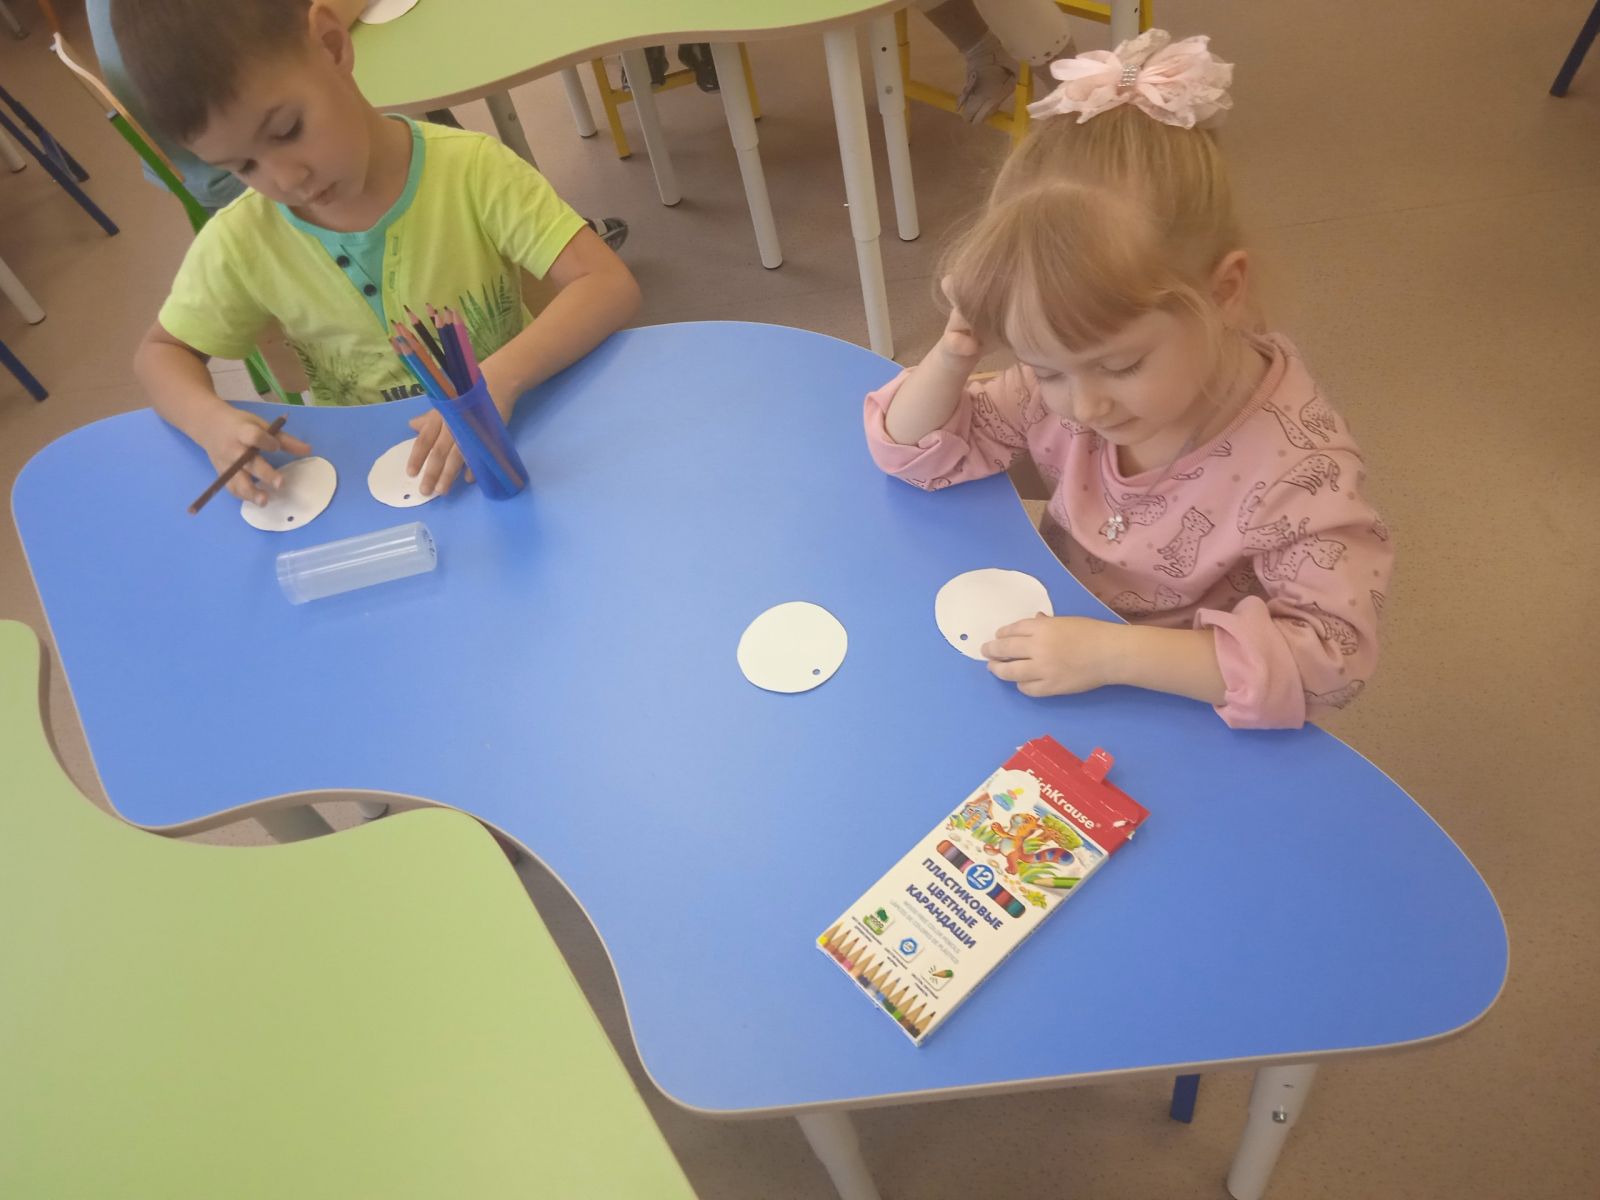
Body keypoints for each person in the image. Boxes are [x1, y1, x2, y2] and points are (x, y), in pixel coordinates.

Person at [865, 31, 1393, 729]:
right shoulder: (1069, 375)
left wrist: (1114, 654)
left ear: (1224, 292)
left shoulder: (1299, 472)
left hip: (1180, 699)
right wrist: (956, 349)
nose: (1084, 406)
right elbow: (910, 450)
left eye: (1121, 366)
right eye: (1047, 369)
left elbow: (1331, 661)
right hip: (1066, 646)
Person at [114, 0, 639, 501]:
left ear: (331, 45)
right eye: (243, 167)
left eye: (288, 130)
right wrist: (209, 422)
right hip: (372, 474)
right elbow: (159, 354)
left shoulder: (473, 170)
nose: (286, 180)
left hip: (517, 436)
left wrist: (500, 378)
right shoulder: (241, 240)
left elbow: (607, 284)